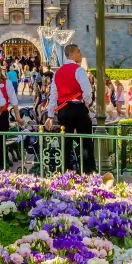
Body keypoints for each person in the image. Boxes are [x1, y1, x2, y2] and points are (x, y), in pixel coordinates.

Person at [45, 44, 95, 173]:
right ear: (71, 54)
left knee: (66, 141)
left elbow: (53, 95)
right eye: (78, 51)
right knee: (85, 140)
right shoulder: (79, 70)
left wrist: (50, 115)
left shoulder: (58, 72)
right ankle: (88, 171)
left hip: (63, 109)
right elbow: (87, 91)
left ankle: (66, 170)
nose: (80, 53)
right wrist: (88, 104)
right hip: (77, 108)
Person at [0, 61, 24, 169]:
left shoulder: (6, 83)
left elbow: (14, 101)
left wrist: (18, 117)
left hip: (2, 115)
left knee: (0, 143)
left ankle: (1, 168)